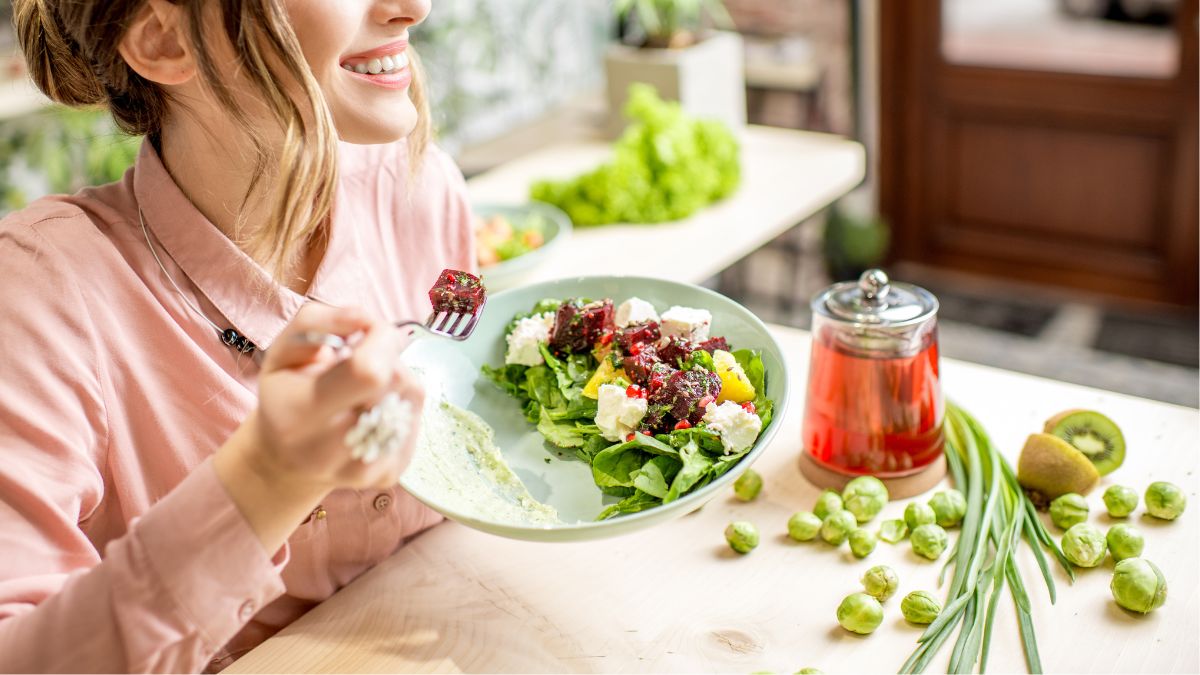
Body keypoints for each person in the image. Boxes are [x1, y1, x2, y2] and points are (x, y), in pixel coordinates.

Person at [0, 0, 472, 671]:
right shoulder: (40, 295)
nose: (413, 8)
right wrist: (268, 477)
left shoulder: (423, 189)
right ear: (164, 40)